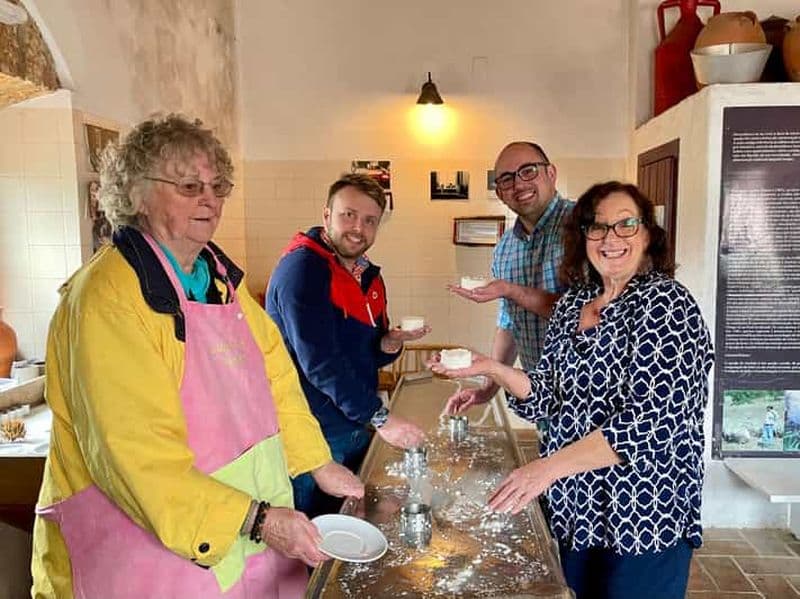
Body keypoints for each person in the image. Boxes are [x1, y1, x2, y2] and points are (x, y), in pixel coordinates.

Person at [31, 114, 363, 599]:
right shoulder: (108, 299)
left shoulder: (218, 278)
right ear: (138, 194)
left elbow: (276, 380)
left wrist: (317, 463)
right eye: (189, 185)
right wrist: (259, 520)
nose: (210, 198)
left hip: (236, 549)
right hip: (144, 561)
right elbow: (137, 456)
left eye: (218, 185)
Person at [435, 181, 714, 599]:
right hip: (577, 508)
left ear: (648, 235)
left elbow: (653, 422)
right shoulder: (572, 305)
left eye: (626, 225)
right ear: (583, 236)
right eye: (597, 228)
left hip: (644, 512)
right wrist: (490, 367)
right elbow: (546, 393)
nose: (610, 239)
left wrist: (545, 469)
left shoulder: (667, 305)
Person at [266, 173, 429, 517]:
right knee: (316, 537)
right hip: (313, 438)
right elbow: (321, 364)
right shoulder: (303, 270)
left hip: (351, 424)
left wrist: (388, 342)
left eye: (370, 220)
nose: (359, 228)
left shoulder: (365, 273)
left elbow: (362, 354)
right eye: (348, 215)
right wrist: (382, 418)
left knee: (351, 527)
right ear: (326, 215)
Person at [448, 141, 574, 409]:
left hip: (592, 397)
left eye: (528, 171)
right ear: (500, 194)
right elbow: (509, 323)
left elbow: (593, 314)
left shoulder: (584, 227)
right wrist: (488, 387)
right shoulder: (505, 247)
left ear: (551, 173)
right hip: (540, 397)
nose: (518, 184)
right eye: (506, 179)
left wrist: (511, 289)